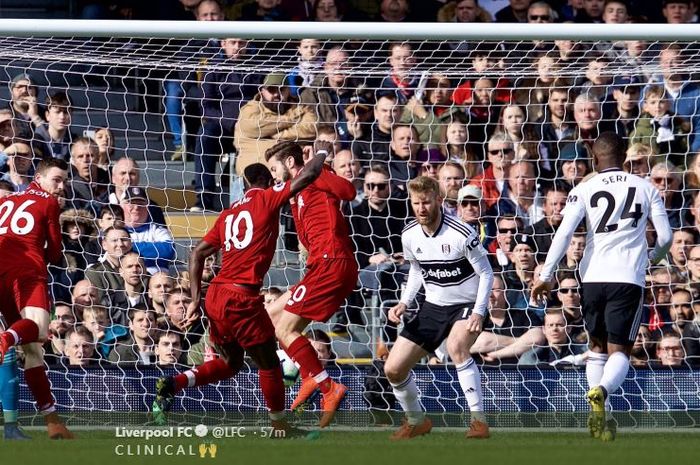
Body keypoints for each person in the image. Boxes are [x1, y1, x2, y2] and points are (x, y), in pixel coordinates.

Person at [152, 141, 331, 435]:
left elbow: (196, 253)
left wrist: (197, 299)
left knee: (231, 362)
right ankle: (279, 426)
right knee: (270, 363)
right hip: (242, 297)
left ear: (243, 183)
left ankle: (174, 383)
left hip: (217, 295)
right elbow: (308, 176)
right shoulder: (268, 198)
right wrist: (322, 151)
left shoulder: (226, 215)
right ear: (266, 180)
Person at [532, 132, 673, 441]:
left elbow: (564, 233)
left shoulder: (584, 188)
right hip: (627, 278)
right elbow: (665, 237)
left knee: (596, 349)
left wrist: (546, 274)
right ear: (624, 155)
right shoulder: (645, 187)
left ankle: (599, 421)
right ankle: (602, 390)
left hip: (592, 279)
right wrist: (652, 257)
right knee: (620, 350)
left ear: (594, 159)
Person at [384, 176, 494, 439]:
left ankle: (478, 421)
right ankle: (416, 421)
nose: (421, 208)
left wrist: (479, 310)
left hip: (466, 305)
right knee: (393, 369)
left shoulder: (462, 233)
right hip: (433, 307)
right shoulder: (409, 235)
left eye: (426, 202)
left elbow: (487, 273)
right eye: (416, 203)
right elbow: (415, 269)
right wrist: (404, 302)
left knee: (457, 347)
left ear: (439, 201)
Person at [264, 140, 358, 429]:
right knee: (274, 323)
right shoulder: (296, 193)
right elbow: (304, 236)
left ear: (290, 164)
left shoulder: (316, 174)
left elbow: (349, 191)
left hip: (333, 262)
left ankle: (328, 387)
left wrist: (320, 161)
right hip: (320, 265)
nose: (274, 175)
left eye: (274, 168)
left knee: (284, 329)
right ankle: (310, 377)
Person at [0, 158, 73, 438]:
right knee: (39, 331)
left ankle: (51, 422)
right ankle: (6, 338)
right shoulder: (49, 203)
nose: (61, 186)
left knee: (32, 351)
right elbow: (55, 253)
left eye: (64, 181)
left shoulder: (6, 200)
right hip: (27, 271)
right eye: (56, 180)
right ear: (39, 178)